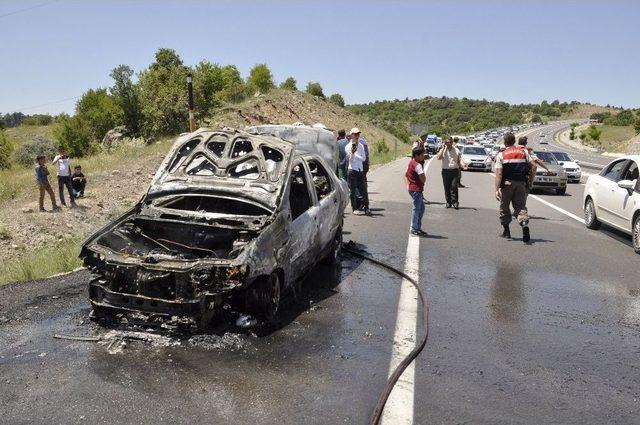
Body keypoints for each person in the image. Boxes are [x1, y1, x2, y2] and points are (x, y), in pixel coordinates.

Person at [494, 132, 537, 243]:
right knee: (520, 207)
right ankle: (523, 224)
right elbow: (534, 166)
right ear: (514, 141)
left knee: (504, 208)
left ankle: (507, 232)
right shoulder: (524, 152)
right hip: (521, 184)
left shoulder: (501, 154)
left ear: (504, 142)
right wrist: (530, 182)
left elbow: (499, 173)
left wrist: (496, 189)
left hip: (507, 184)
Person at [345, 128, 371, 216]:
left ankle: (367, 207)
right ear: (351, 135)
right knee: (352, 190)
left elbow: (363, 158)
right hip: (352, 170)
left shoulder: (361, 145)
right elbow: (351, 161)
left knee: (364, 190)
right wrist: (352, 154)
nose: (357, 136)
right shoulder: (347, 147)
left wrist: (355, 155)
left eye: (358, 134)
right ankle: (354, 208)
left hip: (360, 170)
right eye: (355, 134)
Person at [405, 146, 427, 236]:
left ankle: (417, 227)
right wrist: (423, 180)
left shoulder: (411, 163)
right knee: (417, 209)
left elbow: (406, 174)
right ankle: (414, 228)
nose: (423, 156)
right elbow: (422, 177)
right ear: (417, 155)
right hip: (416, 189)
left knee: (421, 208)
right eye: (422, 154)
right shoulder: (417, 165)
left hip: (413, 188)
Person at [436, 136, 462, 209]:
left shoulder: (456, 150)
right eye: (447, 142)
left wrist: (463, 165)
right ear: (445, 143)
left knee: (454, 187)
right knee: (447, 187)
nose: (449, 144)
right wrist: (443, 148)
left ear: (452, 142)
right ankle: (448, 202)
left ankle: (455, 202)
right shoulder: (443, 150)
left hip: (454, 171)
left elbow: (459, 160)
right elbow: (438, 158)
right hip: (445, 171)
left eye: (450, 142)